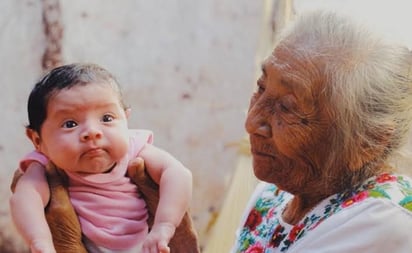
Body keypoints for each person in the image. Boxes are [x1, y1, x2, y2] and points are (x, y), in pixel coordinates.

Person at [231, 11, 412, 252]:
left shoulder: (381, 221)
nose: (251, 123)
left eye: (286, 107)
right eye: (261, 87)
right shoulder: (278, 192)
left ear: (368, 143)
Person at [9, 63, 193, 253]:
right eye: (70, 123)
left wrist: (164, 226)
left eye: (106, 118)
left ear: (126, 120)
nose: (92, 132)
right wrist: (40, 242)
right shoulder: (45, 163)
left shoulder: (135, 149)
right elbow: (25, 198)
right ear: (38, 140)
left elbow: (178, 174)